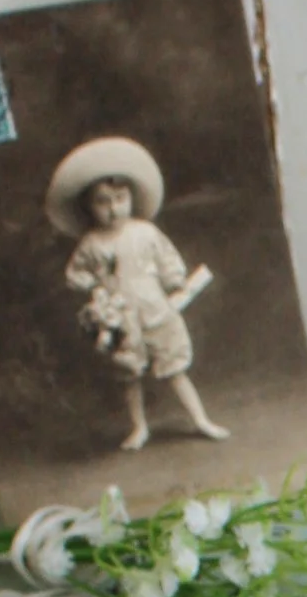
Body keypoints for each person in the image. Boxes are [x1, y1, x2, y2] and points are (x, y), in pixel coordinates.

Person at [44, 136, 230, 450]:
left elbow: (167, 257)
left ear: (131, 197)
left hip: (155, 308)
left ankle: (200, 419)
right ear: (89, 206)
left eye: (119, 198)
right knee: (129, 376)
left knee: (174, 368)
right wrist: (96, 288)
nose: (113, 208)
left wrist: (174, 280)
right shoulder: (91, 243)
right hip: (121, 317)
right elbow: (75, 274)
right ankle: (138, 427)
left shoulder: (144, 232)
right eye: (102, 201)